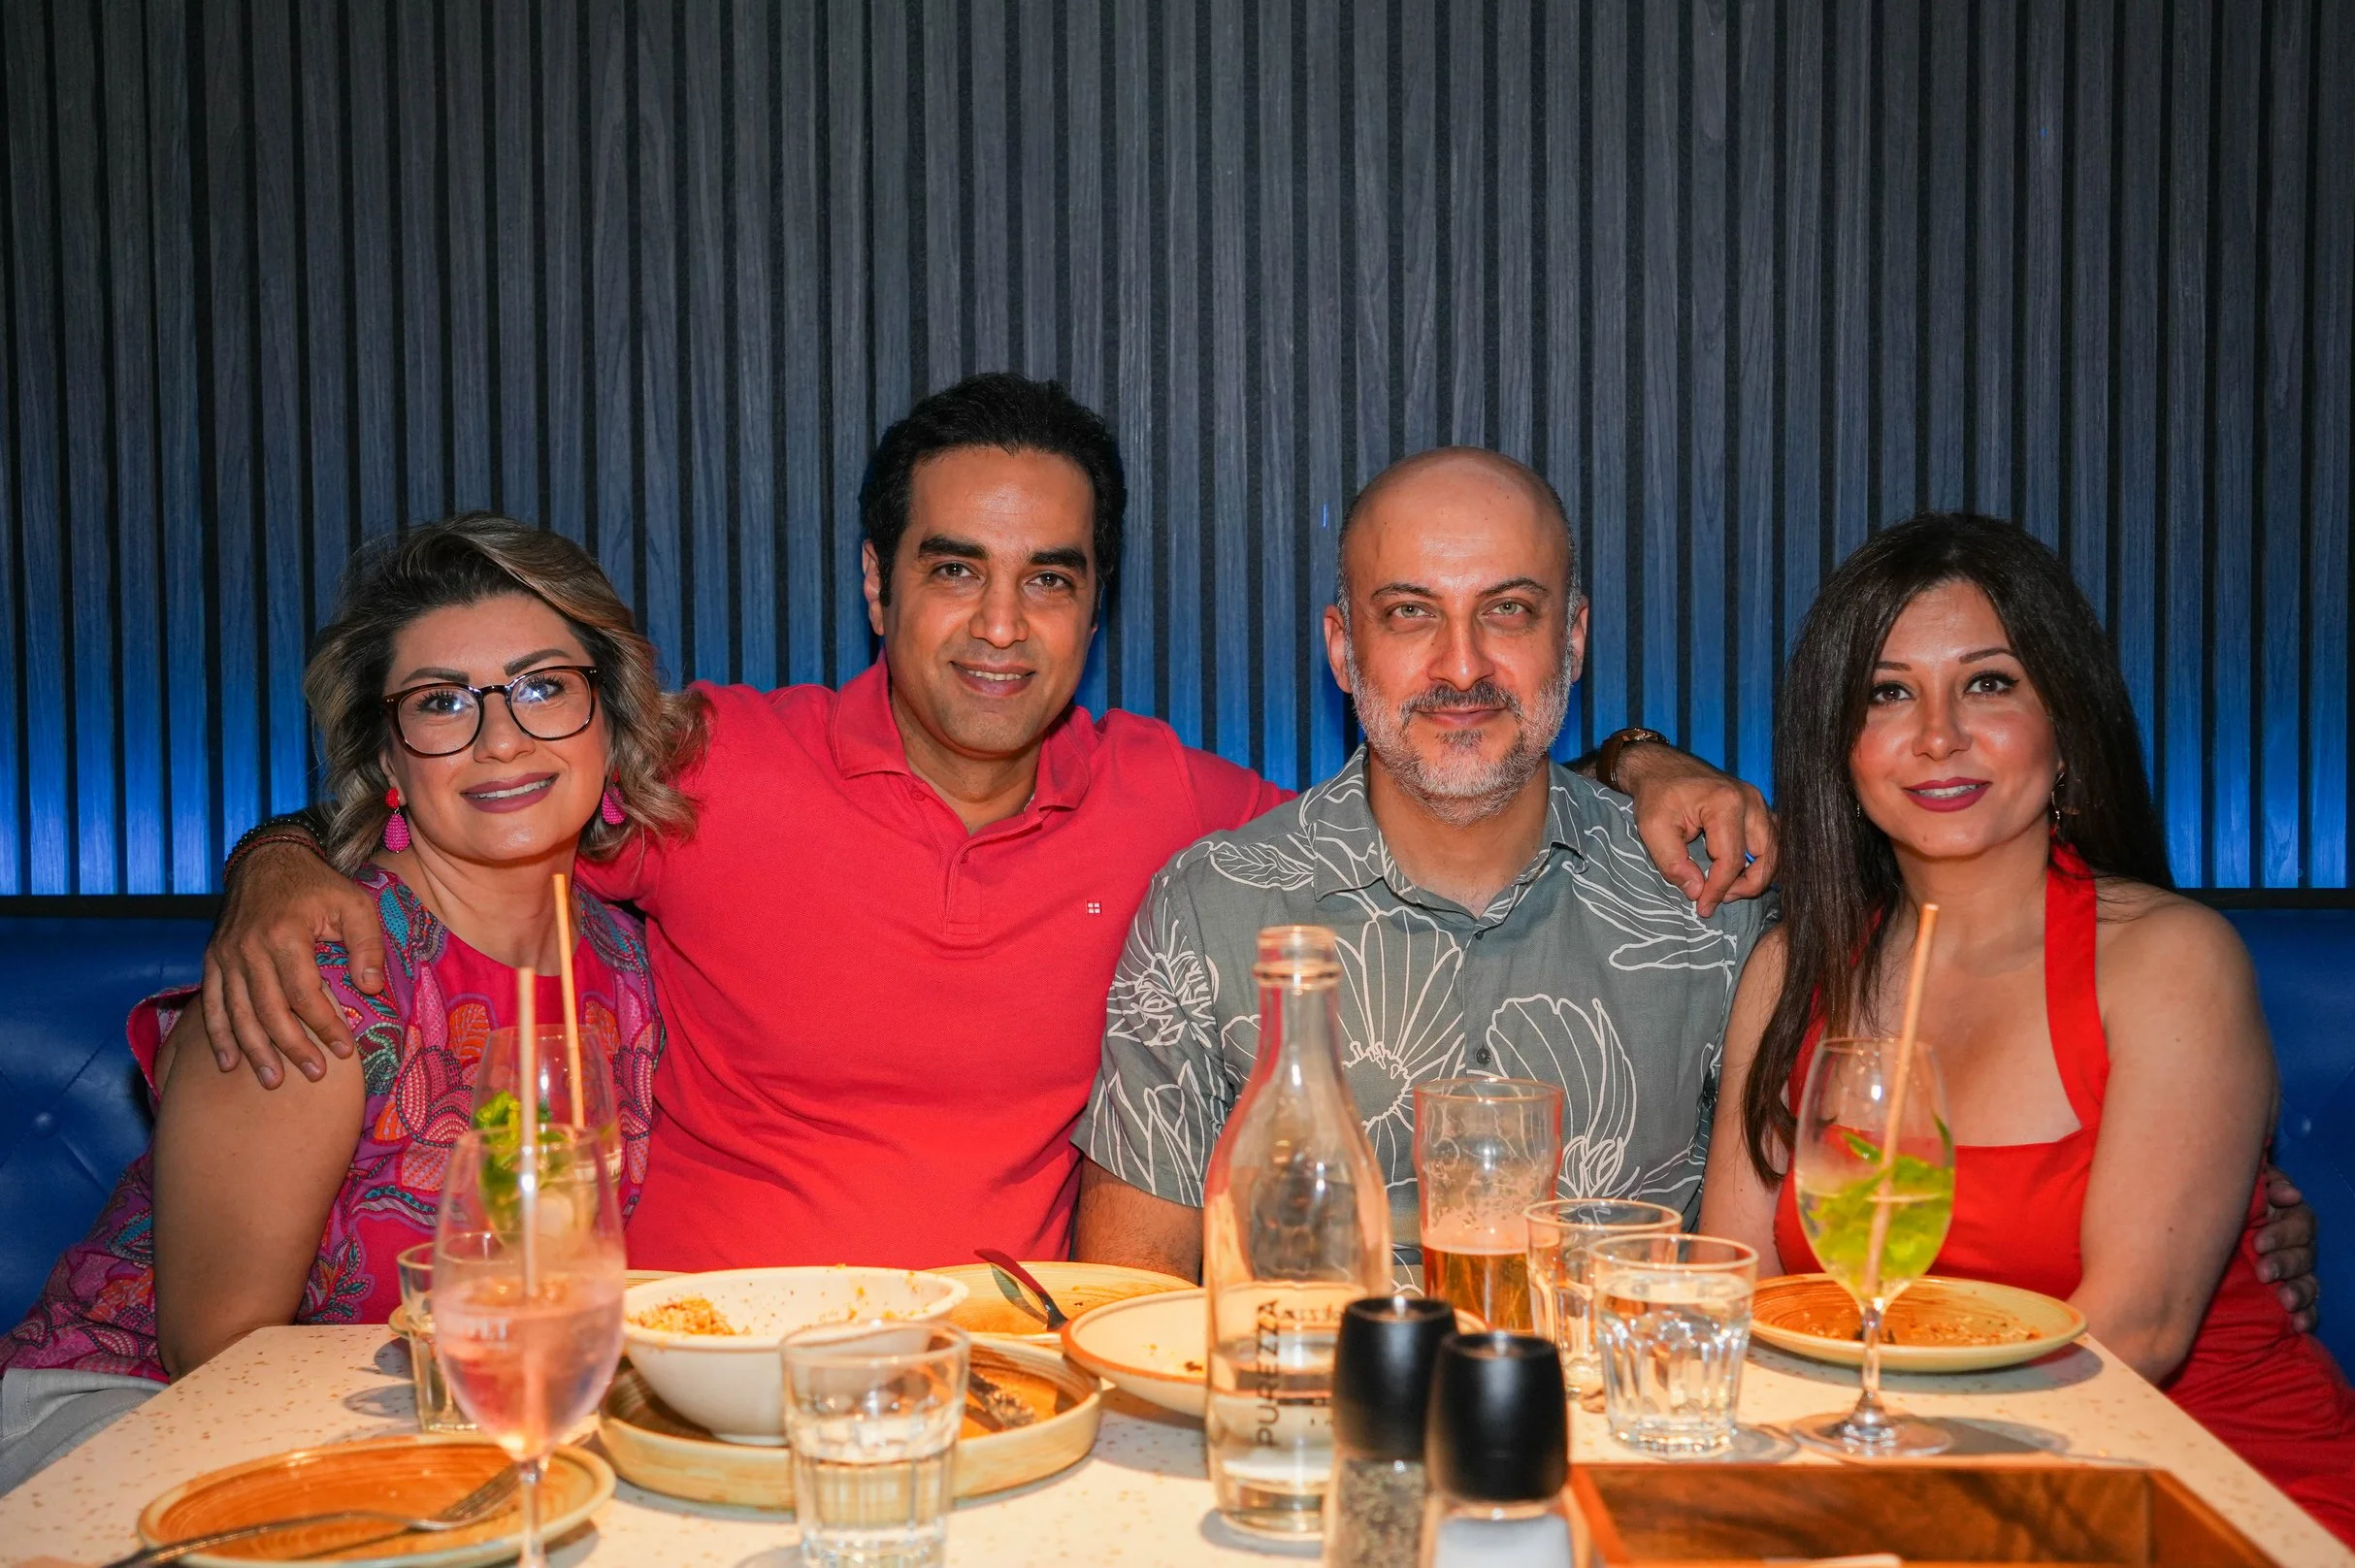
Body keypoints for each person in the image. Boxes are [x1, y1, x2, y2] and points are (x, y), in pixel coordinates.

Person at [192, 376, 1774, 1271]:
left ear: (1097, 605)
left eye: (1050, 579)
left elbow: (1441, 768)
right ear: (879, 586)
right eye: (956, 569)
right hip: (695, 1382)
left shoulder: (1184, 825)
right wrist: (281, 859)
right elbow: (483, 778)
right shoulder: (713, 765)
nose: (1003, 626)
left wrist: (1639, 763)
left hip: (1007, 1396)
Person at [1698, 513, 2355, 1566]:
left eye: (1988, 683)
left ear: (2064, 722)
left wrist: (1892, 1497)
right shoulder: (1792, 967)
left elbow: (2135, 1330)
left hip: (2218, 1486)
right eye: (1887, 693)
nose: (1938, 735)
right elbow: (1741, 1291)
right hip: (1901, 1483)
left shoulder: (2170, 960)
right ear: (1839, 747)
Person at [0, 515, 685, 1492]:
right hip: (130, 1413)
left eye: (543, 687)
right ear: (390, 758)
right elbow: (219, 1353)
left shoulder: (631, 956)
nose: (501, 739)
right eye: (441, 702)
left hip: (456, 1421)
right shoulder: (314, 973)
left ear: (608, 719)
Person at [1072, 449, 1774, 1274]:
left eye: (1508, 610)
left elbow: (1762, 1289)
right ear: (1343, 650)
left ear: (1574, 639)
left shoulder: (1712, 904)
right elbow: (1130, 1298)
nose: (1463, 666)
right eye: (1410, 613)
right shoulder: (1208, 914)